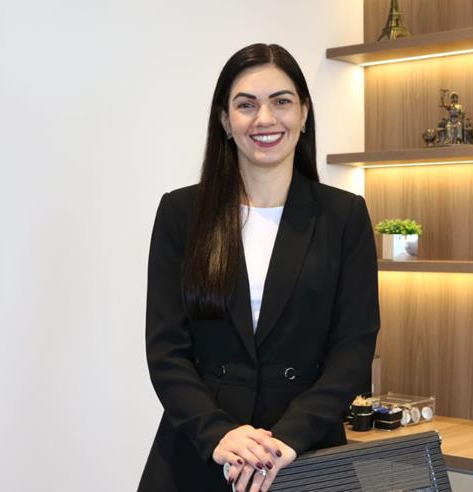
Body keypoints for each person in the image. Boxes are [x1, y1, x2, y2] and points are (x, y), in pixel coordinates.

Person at [139, 43, 380, 492]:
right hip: (200, 451)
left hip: (305, 450)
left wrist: (288, 438)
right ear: (225, 120)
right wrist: (219, 434)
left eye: (281, 101)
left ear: (304, 113)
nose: (264, 119)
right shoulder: (181, 213)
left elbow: (354, 347)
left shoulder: (343, 216)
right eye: (246, 105)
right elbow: (166, 349)